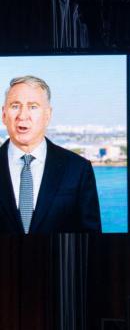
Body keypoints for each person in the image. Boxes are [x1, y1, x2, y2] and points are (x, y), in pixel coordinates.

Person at [0, 75, 101, 234]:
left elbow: (91, 241)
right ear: (4, 114)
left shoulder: (78, 169)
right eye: (15, 106)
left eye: (33, 107)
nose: (22, 115)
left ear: (48, 115)